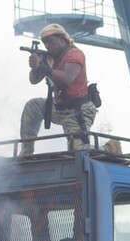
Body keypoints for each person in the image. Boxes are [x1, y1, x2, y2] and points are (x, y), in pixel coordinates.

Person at [20, 24, 98, 157]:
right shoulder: (51, 58)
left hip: (79, 112)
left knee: (79, 152)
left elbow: (66, 79)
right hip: (60, 109)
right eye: (45, 43)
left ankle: (109, 148)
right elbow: (34, 80)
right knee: (32, 106)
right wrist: (35, 66)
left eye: (50, 41)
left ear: (62, 39)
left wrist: (43, 66)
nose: (47, 46)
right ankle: (26, 153)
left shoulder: (74, 54)